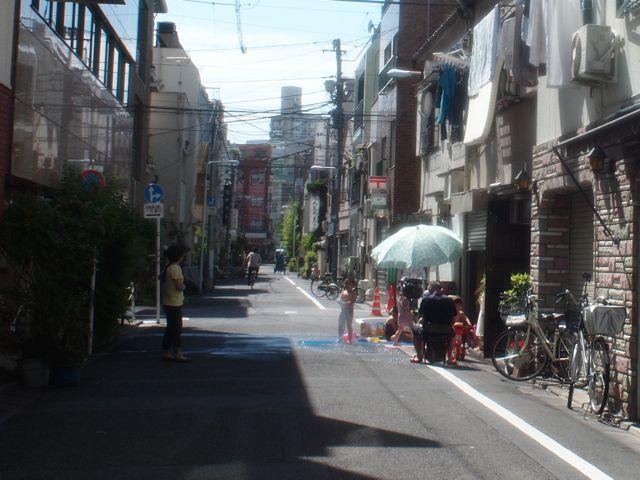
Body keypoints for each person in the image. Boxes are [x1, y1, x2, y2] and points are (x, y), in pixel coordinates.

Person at [411, 281, 456, 364]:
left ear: (430, 289)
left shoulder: (426, 299)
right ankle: (449, 357)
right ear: (441, 289)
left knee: (414, 329)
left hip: (428, 330)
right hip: (445, 330)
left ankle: (419, 356)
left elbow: (421, 316)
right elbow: (453, 318)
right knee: (453, 334)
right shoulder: (449, 300)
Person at [161, 245, 190, 362]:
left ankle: (167, 351)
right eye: (182, 254)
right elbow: (179, 286)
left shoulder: (167, 267)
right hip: (174, 302)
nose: (184, 256)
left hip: (168, 301)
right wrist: (185, 286)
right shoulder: (175, 268)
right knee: (176, 329)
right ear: (179, 256)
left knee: (171, 328)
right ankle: (177, 352)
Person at [447, 296, 474, 364]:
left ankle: (459, 350)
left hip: (460, 331)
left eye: (459, 305)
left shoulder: (461, 314)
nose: (457, 307)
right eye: (455, 305)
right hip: (452, 331)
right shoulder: (450, 314)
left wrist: (468, 324)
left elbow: (467, 322)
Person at [338, 277, 357, 343]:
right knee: (341, 325)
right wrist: (340, 302)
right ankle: (340, 338)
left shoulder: (353, 293)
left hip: (349, 311)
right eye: (346, 284)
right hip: (342, 311)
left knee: (349, 325)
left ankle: (350, 339)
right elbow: (339, 300)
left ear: (352, 285)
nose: (347, 286)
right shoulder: (343, 292)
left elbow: (352, 302)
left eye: (349, 284)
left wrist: (343, 303)